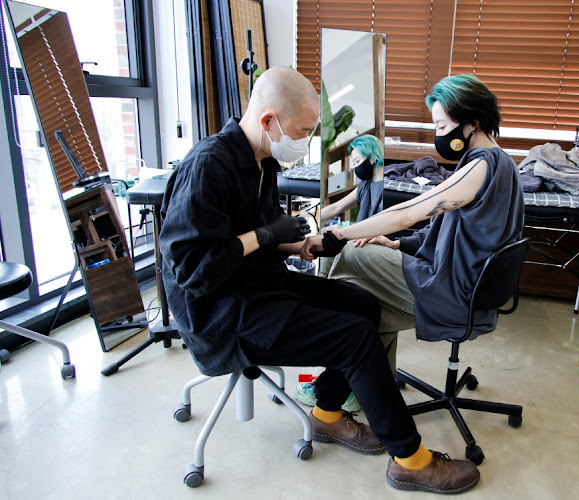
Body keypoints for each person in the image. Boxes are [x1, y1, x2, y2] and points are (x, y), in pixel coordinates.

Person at [159, 66, 480, 494]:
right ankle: (411, 460)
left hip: (257, 284)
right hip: (221, 313)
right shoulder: (208, 167)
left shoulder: (262, 162)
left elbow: (258, 244)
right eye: (302, 131)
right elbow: (194, 271)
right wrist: (267, 234)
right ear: (269, 121)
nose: (305, 141)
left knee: (363, 305)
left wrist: (297, 247)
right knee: (354, 339)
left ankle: (326, 416)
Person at [301, 72, 524, 359]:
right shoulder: (502, 163)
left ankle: (321, 355)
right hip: (466, 285)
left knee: (349, 256)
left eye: (442, 126)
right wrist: (398, 244)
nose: (439, 135)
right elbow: (445, 229)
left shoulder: (483, 166)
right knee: (366, 308)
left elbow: (406, 214)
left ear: (473, 122)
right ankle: (362, 391)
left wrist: (338, 235)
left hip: (452, 291)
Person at [296, 134, 386, 412]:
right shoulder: (365, 185)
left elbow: (383, 228)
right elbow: (334, 207)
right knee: (329, 235)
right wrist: (305, 218)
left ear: (374, 157)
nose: (356, 166)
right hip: (360, 244)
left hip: (377, 249)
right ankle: (323, 284)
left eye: (359, 161)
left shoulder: (385, 187)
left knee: (336, 246)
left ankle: (325, 286)